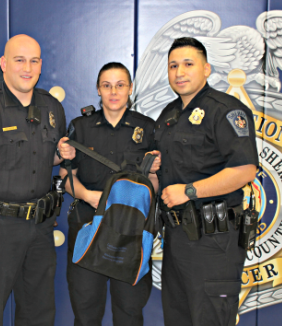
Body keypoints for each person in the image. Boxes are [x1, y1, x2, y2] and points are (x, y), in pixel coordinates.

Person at [0, 34, 75, 326]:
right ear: (4, 64)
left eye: (34, 61)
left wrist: (62, 154)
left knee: (39, 313)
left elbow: (49, 160)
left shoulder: (51, 108)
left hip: (40, 229)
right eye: (19, 60)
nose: (27, 68)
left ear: (41, 65)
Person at [154, 37, 258, 326]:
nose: (179, 72)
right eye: (173, 65)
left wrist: (189, 191)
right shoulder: (168, 116)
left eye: (188, 64)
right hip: (176, 238)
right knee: (178, 319)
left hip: (213, 242)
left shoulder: (225, 110)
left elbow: (245, 170)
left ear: (207, 68)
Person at [59, 62, 160, 326]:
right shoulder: (80, 126)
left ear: (130, 89)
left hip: (131, 233)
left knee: (129, 313)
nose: (113, 92)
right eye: (106, 85)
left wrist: (153, 173)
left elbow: (154, 186)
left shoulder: (148, 129)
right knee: (86, 312)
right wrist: (89, 196)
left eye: (120, 85)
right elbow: (66, 177)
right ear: (98, 89)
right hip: (88, 227)